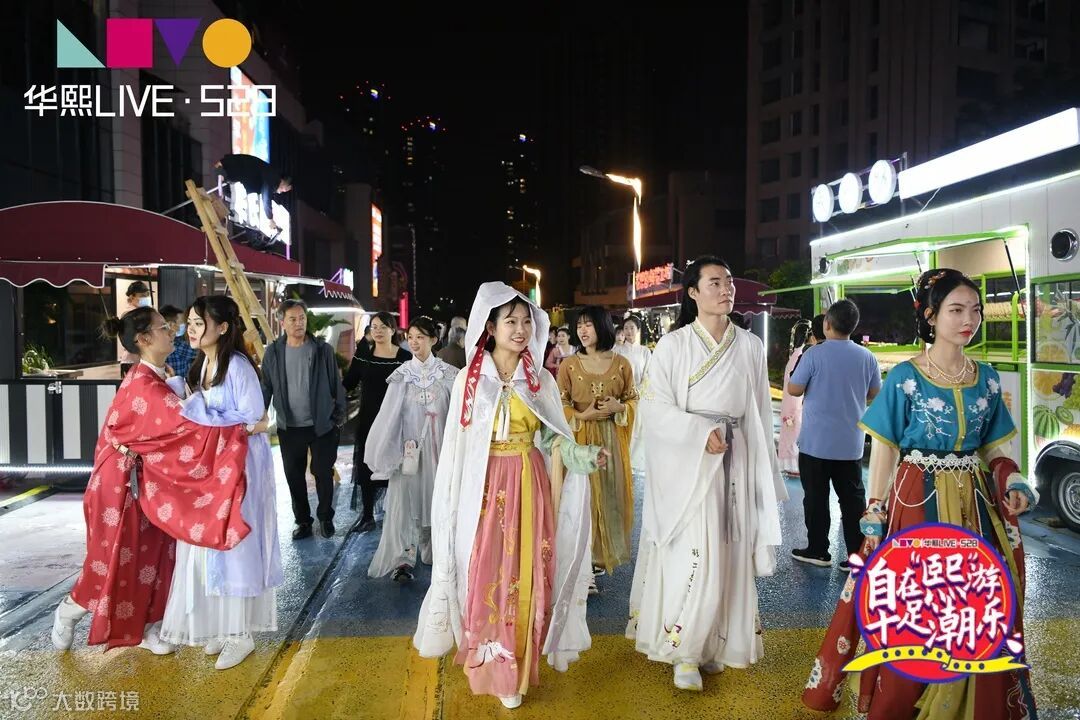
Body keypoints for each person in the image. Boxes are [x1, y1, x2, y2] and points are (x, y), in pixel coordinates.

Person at [802, 268, 1038, 718]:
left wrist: (1012, 478)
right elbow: (886, 447)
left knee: (976, 605)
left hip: (974, 508)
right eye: (956, 310)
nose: (969, 320)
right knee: (917, 606)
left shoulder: (987, 378)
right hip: (916, 502)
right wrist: (875, 506)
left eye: (975, 310)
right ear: (930, 316)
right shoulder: (905, 378)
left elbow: (994, 447)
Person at [413, 282, 607, 710]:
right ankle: (492, 662)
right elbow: (457, 447)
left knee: (527, 573)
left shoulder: (539, 380)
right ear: (491, 328)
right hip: (481, 489)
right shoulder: (469, 380)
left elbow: (554, 437)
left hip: (526, 481)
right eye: (510, 322)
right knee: (483, 569)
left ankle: (516, 668)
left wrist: (581, 454)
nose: (520, 330)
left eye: (526, 322)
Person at [50, 307, 252, 653]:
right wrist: (244, 427)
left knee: (153, 555)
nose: (172, 331)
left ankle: (145, 627)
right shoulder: (145, 386)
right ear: (144, 339)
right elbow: (190, 427)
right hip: (119, 484)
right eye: (163, 328)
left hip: (144, 478)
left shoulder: (157, 377)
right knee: (112, 557)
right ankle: (70, 610)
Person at [626, 256, 786, 692]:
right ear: (693, 292)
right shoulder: (673, 346)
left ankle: (716, 644)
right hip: (691, 467)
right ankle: (685, 652)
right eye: (715, 282)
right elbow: (654, 409)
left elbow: (757, 412)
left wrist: (762, 471)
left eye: (728, 281)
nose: (726, 289)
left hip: (736, 461)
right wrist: (700, 433)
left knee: (731, 554)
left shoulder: (750, 346)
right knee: (698, 553)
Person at [156, 296, 282, 669]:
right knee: (211, 546)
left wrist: (204, 415)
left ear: (223, 328)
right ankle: (223, 627)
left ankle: (240, 634)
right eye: (191, 323)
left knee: (234, 547)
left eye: (200, 323)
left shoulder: (238, 366)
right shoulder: (201, 365)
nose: (192, 330)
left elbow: (256, 419)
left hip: (239, 471)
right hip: (213, 472)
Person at [787, 299, 881, 570]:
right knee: (853, 501)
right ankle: (856, 555)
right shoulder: (867, 357)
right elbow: (874, 393)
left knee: (816, 499)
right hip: (851, 444)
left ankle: (818, 551)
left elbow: (794, 389)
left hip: (816, 444)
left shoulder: (814, 355)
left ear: (827, 324)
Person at [364, 317, 457, 582]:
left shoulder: (450, 375)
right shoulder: (402, 375)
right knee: (407, 503)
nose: (414, 342)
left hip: (441, 452)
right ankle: (403, 559)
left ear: (433, 340)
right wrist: (388, 450)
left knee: (439, 500)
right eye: (411, 337)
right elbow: (389, 417)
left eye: (420, 337)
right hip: (410, 453)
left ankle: (436, 551)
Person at [558, 305, 637, 585]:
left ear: (602, 326)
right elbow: (560, 404)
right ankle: (582, 563)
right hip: (580, 440)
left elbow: (633, 399)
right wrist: (582, 415)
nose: (582, 330)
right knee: (582, 498)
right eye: (579, 325)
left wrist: (620, 407)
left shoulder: (622, 364)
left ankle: (599, 557)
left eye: (588, 324)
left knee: (610, 495)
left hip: (611, 440)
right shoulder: (568, 365)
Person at [261, 299, 347, 539]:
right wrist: (259, 413)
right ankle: (303, 522)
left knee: (323, 472)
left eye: (302, 318)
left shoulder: (322, 350)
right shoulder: (273, 353)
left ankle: (325, 518)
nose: (299, 323)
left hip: (322, 425)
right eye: (293, 319)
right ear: (282, 322)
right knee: (294, 477)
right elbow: (266, 386)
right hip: (289, 427)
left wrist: (338, 416)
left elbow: (335, 384)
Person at [344, 312, 411, 531]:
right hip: (368, 420)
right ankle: (367, 516)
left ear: (393, 330)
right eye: (374, 327)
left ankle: (397, 515)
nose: (378, 331)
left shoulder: (404, 357)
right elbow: (349, 382)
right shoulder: (364, 355)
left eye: (383, 326)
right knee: (366, 466)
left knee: (396, 466)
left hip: (396, 420)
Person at [215, 153, 293, 233]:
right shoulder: (273, 179)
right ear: (284, 182)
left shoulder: (273, 176)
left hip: (235, 169)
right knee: (221, 192)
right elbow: (266, 198)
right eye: (286, 189)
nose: (284, 191)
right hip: (232, 167)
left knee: (225, 192)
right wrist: (270, 219)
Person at [778, 319, 813, 476]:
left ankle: (791, 464)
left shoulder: (797, 354)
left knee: (792, 432)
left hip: (793, 402)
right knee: (794, 432)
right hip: (795, 403)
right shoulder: (801, 356)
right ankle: (793, 465)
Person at [119, 281, 153, 373]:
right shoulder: (129, 314)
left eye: (147, 294)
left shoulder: (142, 311)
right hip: (132, 361)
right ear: (132, 297)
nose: (146, 297)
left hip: (140, 360)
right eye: (142, 295)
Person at [614, 315, 652, 388]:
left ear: (638, 330)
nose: (629, 331)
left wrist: (640, 389)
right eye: (626, 328)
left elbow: (648, 373)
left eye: (632, 328)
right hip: (622, 390)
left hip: (641, 391)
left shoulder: (645, 351)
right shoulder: (616, 351)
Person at [160, 304, 196, 378]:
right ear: (170, 325)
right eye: (184, 323)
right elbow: (200, 351)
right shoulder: (178, 345)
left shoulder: (159, 343)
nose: (187, 326)